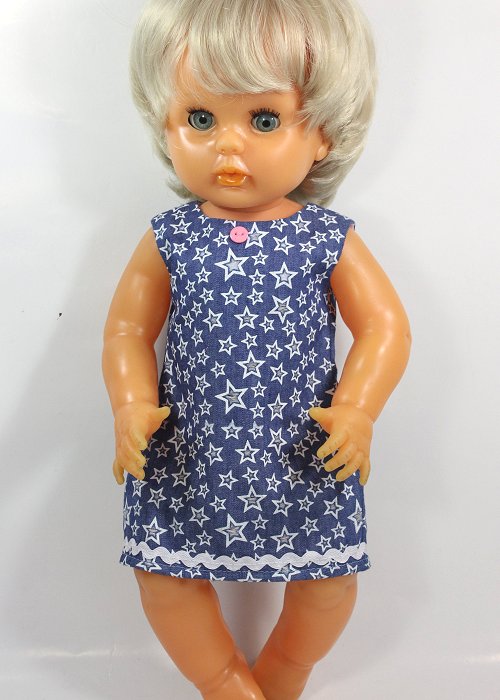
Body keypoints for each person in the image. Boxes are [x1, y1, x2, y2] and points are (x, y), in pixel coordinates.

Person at [102, 1, 411, 698]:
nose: (227, 146)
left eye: (264, 119)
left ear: (323, 133)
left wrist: (358, 411)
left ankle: (283, 673)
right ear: (165, 123)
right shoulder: (170, 237)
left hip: (306, 450)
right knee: (163, 575)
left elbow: (386, 328)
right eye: (200, 118)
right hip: (187, 450)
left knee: (328, 583)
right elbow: (126, 331)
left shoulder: (325, 238)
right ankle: (222, 684)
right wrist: (130, 405)